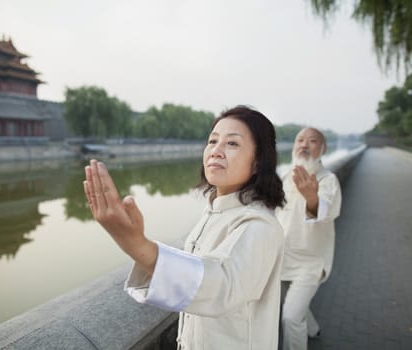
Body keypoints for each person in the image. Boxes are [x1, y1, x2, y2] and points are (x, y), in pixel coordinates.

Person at [83, 106, 286, 349]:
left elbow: (221, 285)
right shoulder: (215, 211)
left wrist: (138, 246)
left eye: (232, 144)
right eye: (212, 141)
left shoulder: (259, 225)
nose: (216, 151)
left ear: (257, 163)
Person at [275, 128, 342, 350]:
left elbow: (325, 212)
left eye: (312, 141)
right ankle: (313, 329)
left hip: (310, 263)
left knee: (291, 318)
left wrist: (312, 198)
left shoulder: (328, 180)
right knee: (290, 303)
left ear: (323, 149)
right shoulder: (285, 175)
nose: (304, 145)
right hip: (282, 258)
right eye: (300, 140)